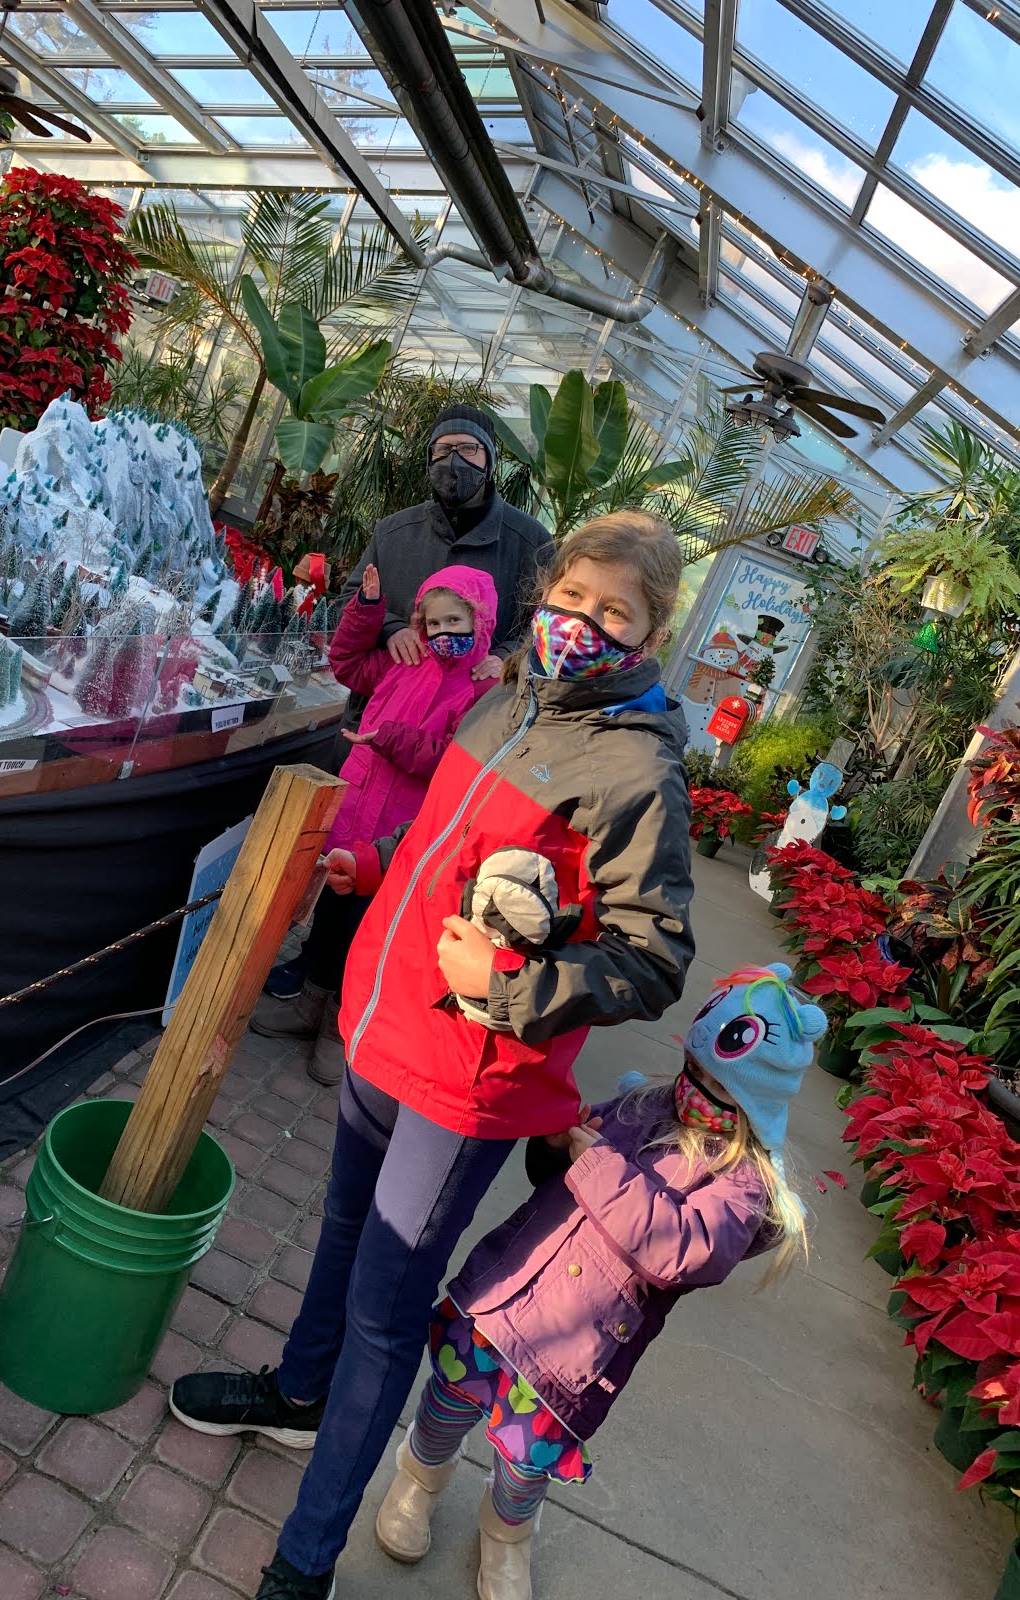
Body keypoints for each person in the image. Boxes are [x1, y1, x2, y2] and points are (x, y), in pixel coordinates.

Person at [171, 513, 695, 1600]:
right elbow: (446, 839)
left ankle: (306, 1557)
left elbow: (652, 958)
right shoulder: (505, 698)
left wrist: (511, 993)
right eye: (575, 596)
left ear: (650, 633)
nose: (584, 623)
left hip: (469, 1077)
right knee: (343, 1236)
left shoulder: (635, 771)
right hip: (381, 1023)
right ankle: (299, 1392)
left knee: (386, 1309)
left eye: (616, 612)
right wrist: (378, 864)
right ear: (545, 588)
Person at [376, 963, 825, 1600]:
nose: (690, 1091)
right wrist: (559, 1136)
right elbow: (557, 1169)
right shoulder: (644, 1104)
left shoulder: (741, 1188)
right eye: (691, 1072)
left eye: (714, 1086)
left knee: (526, 1460)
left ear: (756, 1101)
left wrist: (595, 1159)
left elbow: (678, 1246)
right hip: (507, 1291)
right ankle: (419, 1479)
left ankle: (506, 1534)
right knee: (450, 1395)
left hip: (573, 1352)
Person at [251, 561, 499, 1085]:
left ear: (480, 621)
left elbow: (452, 760)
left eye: (456, 621)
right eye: (434, 624)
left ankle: (340, 1030)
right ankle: (308, 1005)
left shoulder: (481, 693)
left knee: (370, 933)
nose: (443, 634)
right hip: (356, 815)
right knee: (331, 917)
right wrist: (366, 615)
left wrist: (388, 737)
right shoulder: (403, 662)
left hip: (398, 835)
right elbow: (346, 663)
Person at [339, 404, 554, 685]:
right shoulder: (393, 531)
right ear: (430, 459)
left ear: (488, 461)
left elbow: (547, 621)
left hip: (472, 712)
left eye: (467, 448)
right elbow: (349, 601)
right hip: (382, 701)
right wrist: (389, 628)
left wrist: (507, 655)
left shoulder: (530, 540)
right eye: (443, 449)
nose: (453, 459)